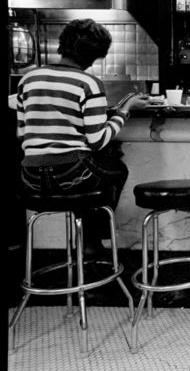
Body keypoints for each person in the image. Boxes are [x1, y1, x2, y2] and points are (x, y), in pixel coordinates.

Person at [15, 18, 150, 255]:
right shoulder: (88, 83)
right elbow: (97, 140)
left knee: (92, 171)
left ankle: (88, 243)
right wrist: (124, 111)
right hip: (71, 175)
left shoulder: (28, 79)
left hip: (30, 179)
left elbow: (21, 133)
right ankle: (92, 242)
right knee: (116, 170)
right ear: (94, 57)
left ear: (63, 44)